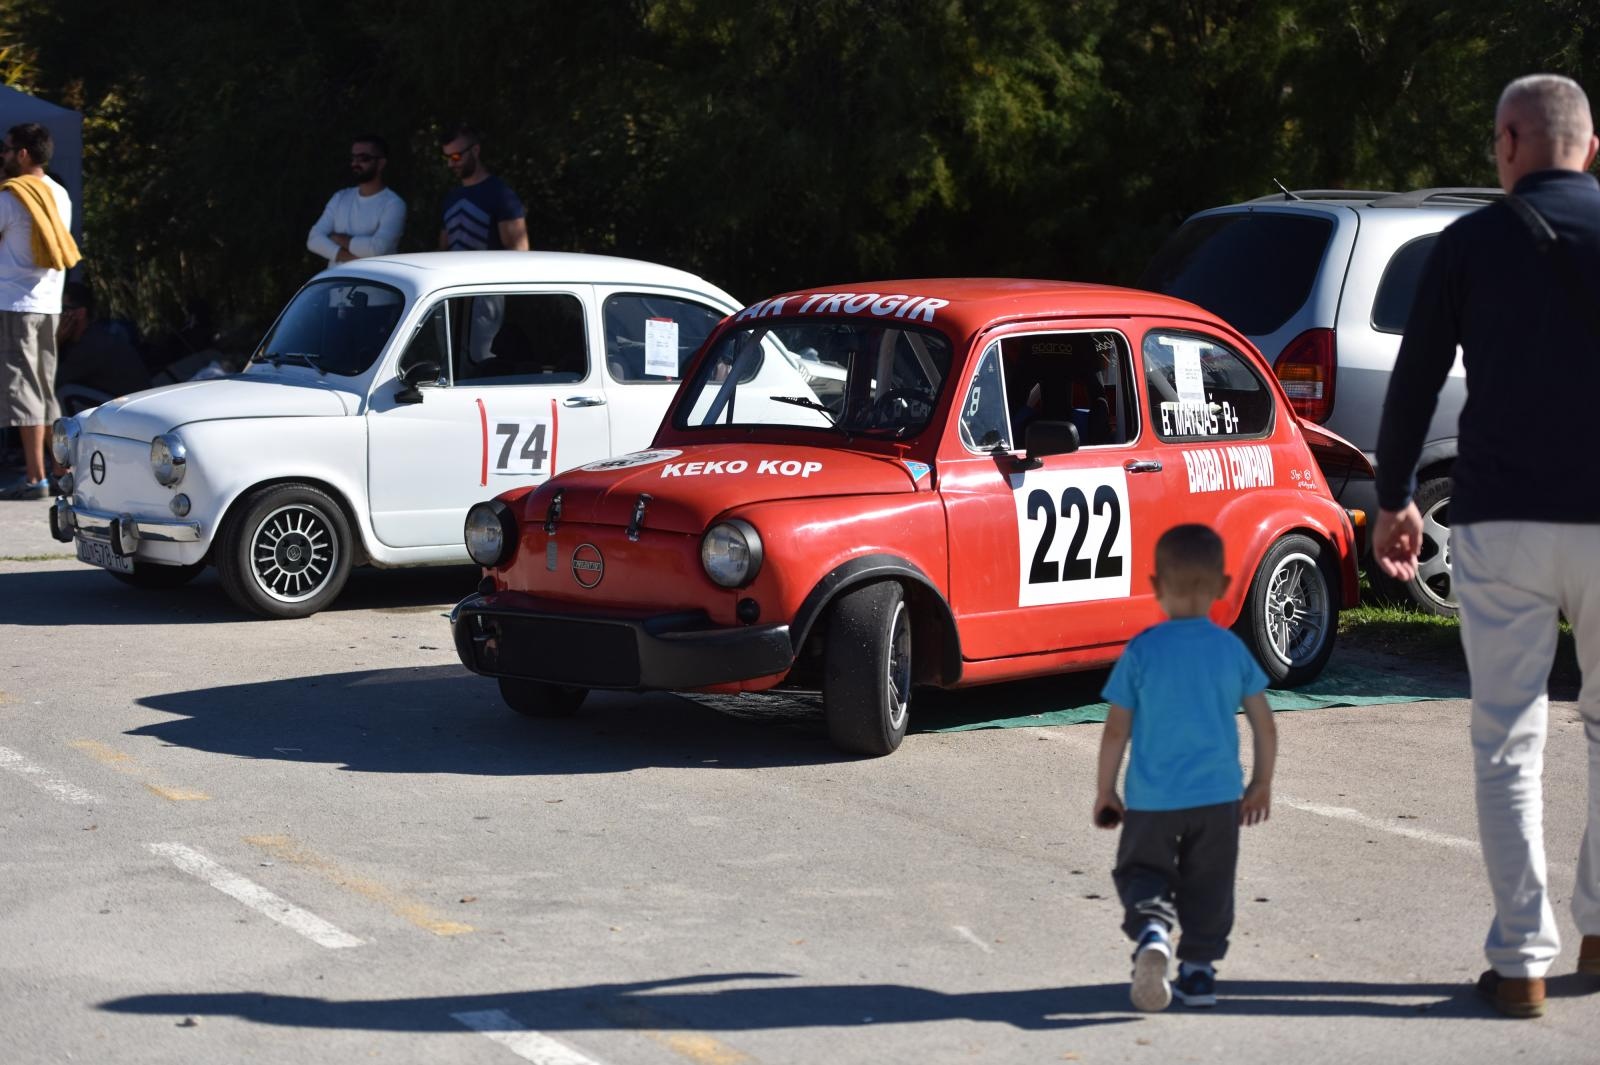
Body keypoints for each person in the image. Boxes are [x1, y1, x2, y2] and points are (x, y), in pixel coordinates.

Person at [1373, 73, 1600, 1019]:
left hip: (1502, 517)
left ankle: (1521, 965)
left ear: (1510, 142)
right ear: (1590, 146)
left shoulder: (1467, 244)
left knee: (1510, 737)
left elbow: (1417, 382)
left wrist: (1393, 499)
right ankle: (1599, 929)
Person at [1094, 523, 1276, 1012]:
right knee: (1210, 883)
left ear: (1156, 587)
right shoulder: (1231, 650)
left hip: (1154, 799)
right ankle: (1198, 973)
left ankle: (1152, 929)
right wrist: (1260, 783)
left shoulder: (1143, 650)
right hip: (1218, 798)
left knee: (1142, 871)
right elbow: (1264, 724)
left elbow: (1116, 730)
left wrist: (1106, 791)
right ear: (1222, 587)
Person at [0, 122, 79, 500]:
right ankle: (60, 468)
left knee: (23, 391)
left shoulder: (12, 197)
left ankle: (35, 478)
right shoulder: (59, 194)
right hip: (49, 303)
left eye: (7, 149)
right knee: (45, 390)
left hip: (16, 305)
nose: (3, 155)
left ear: (23, 154)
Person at [306, 135, 406, 268]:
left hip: (374, 286)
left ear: (381, 163)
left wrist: (338, 239)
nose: (356, 163)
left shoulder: (394, 204)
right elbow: (313, 240)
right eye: (353, 158)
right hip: (337, 284)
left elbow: (377, 249)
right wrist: (352, 257)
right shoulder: (340, 198)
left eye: (363, 158)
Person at [438, 124, 528, 251]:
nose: (450, 164)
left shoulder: (501, 196)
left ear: (475, 150)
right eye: (447, 158)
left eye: (456, 157)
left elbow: (519, 254)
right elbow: (443, 252)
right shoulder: (450, 198)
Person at [55, 281, 148, 403]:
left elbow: (49, 383)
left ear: (80, 313)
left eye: (59, 309)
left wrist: (54, 342)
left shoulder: (93, 345)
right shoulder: (87, 337)